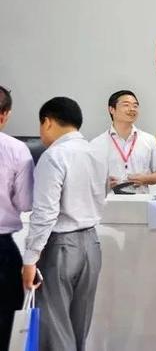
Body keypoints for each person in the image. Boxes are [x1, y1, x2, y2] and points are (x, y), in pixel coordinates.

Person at [22, 97, 108, 351]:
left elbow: (45, 212)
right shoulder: (96, 153)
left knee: (55, 328)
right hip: (91, 244)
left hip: (60, 246)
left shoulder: (54, 156)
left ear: (47, 122)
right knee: (79, 326)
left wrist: (30, 259)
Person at [0, 86, 34, 351]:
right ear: (5, 114)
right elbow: (25, 203)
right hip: (2, 251)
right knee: (4, 324)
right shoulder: (16, 150)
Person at [91, 90, 156, 193]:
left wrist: (145, 179)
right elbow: (88, 177)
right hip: (109, 200)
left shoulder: (149, 139)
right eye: (126, 105)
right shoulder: (96, 144)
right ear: (111, 109)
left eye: (135, 106)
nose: (132, 109)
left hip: (140, 200)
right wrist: (103, 182)